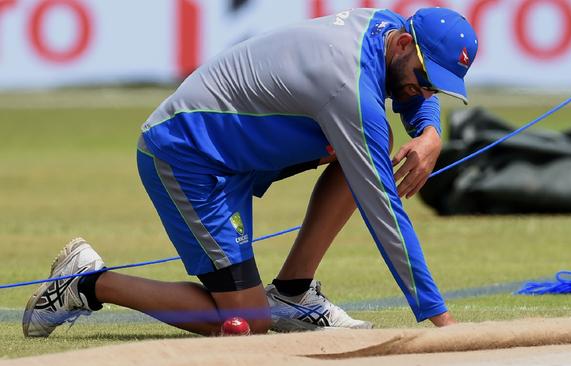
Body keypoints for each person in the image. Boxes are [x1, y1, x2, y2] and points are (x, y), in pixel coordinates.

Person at [23, 7, 478, 337]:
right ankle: (84, 283)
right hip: (185, 156)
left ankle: (293, 294)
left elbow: (413, 91)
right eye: (424, 76)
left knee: (361, 153)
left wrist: (431, 133)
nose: (423, 90)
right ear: (402, 44)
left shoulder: (387, 31)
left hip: (236, 154)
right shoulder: (348, 86)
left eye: (436, 85)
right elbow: (387, 220)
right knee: (245, 324)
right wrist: (441, 321)